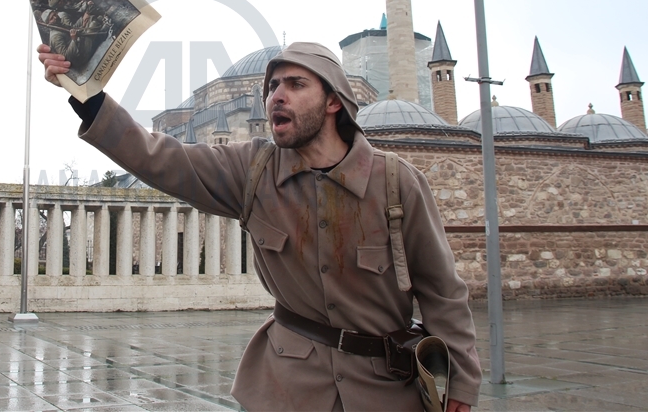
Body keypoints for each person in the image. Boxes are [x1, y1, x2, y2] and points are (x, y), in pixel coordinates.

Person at [38, 41, 482, 412]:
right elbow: (154, 155)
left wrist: (461, 382)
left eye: (294, 84)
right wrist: (85, 92)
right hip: (286, 388)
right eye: (271, 87)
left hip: (385, 390)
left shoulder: (397, 183)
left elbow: (442, 291)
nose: (276, 96)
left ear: (333, 102)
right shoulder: (252, 171)